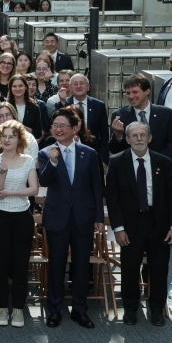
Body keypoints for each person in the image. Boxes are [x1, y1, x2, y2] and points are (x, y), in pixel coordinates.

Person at [105, 122, 172, 327]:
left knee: (159, 268)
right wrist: (118, 228)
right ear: (127, 139)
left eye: (143, 135)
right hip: (130, 225)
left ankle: (157, 309)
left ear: (149, 138)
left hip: (159, 224)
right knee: (129, 268)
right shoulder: (117, 162)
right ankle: (130, 309)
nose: (139, 139)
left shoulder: (163, 162)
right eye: (134, 135)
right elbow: (112, 198)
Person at [38, 107, 103, 329]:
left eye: (62, 125)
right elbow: (43, 182)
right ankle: (54, 309)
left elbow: (97, 187)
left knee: (81, 265)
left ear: (74, 128)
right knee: (56, 265)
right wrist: (54, 162)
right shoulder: (46, 152)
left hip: (83, 217)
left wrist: (99, 218)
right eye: (54, 125)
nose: (57, 129)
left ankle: (79, 309)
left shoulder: (89, 152)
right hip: (57, 216)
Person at [0, 120, 39, 328]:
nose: (7, 140)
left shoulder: (28, 160)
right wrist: (3, 173)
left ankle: (17, 308)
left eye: (11, 136)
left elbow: (33, 189)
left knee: (20, 263)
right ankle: (1, 307)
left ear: (19, 139)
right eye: (4, 136)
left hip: (22, 216)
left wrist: (11, 192)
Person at [109, 73, 172, 163]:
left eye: (135, 92)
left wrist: (158, 162)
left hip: (161, 169)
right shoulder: (119, 115)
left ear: (147, 91)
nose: (131, 96)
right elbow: (115, 150)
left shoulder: (166, 114)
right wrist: (118, 135)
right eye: (128, 93)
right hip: (131, 169)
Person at [58, 74, 109, 165]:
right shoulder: (64, 103)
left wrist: (104, 160)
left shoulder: (98, 105)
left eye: (82, 83)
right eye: (75, 84)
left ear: (88, 87)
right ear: (70, 87)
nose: (78, 86)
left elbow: (104, 135)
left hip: (93, 153)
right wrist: (62, 103)